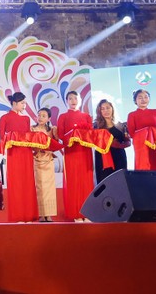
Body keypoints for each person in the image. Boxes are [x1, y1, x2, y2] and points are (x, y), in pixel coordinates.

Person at [0, 92, 38, 223]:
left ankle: (29, 215)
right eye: (22, 103)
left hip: (26, 153)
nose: (24, 105)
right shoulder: (5, 118)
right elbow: (2, 137)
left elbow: (29, 136)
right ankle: (18, 215)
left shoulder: (26, 119)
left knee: (27, 181)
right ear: (14, 103)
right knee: (16, 182)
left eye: (25, 103)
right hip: (14, 153)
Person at [57, 90, 94, 222]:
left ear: (80, 99)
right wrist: (73, 135)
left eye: (75, 98)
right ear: (67, 101)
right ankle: (75, 213)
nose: (73, 101)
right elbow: (61, 135)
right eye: (70, 99)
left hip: (85, 152)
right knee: (73, 181)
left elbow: (91, 134)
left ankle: (87, 212)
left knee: (86, 180)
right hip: (71, 152)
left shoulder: (86, 116)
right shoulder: (63, 116)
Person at [32, 108, 59, 222]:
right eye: (39, 115)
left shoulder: (52, 130)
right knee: (39, 187)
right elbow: (30, 144)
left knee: (49, 188)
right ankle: (41, 214)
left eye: (43, 115)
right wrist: (38, 148)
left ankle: (49, 214)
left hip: (48, 160)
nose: (40, 117)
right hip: (37, 159)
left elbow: (57, 142)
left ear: (49, 118)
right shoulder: (32, 129)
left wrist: (55, 133)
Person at [127, 89, 156, 170]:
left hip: (155, 145)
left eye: (146, 97)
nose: (143, 100)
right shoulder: (132, 115)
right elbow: (132, 134)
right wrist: (146, 131)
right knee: (143, 168)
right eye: (140, 97)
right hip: (141, 146)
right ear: (135, 100)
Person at [94, 99, 129, 183]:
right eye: (102, 109)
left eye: (108, 107)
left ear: (112, 108)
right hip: (102, 159)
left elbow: (127, 141)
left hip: (119, 157)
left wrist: (119, 145)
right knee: (104, 183)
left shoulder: (121, 125)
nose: (106, 110)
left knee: (120, 182)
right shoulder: (96, 127)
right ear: (99, 111)